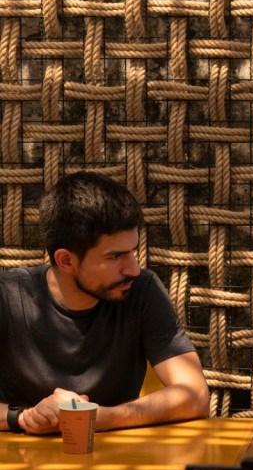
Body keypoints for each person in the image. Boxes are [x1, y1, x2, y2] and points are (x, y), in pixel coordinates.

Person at [0, 172, 209, 436]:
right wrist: (23, 417)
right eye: (115, 256)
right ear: (66, 260)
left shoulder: (142, 290)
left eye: (132, 251)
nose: (134, 269)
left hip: (118, 456)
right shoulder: (7, 296)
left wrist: (102, 418)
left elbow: (195, 394)